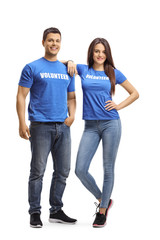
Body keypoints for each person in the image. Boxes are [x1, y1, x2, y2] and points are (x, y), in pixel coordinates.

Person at [68, 37, 139, 228]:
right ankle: (103, 199)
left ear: (107, 54)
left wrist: (118, 106)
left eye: (103, 52)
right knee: (80, 169)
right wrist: (70, 61)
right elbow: (64, 64)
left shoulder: (113, 73)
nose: (100, 55)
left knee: (108, 168)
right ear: (91, 52)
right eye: (97, 51)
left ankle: (102, 211)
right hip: (90, 126)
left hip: (111, 124)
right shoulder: (83, 70)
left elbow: (135, 93)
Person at [16, 27, 77, 228]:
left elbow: (71, 97)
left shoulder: (66, 68)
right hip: (41, 126)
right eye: (50, 40)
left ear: (61, 43)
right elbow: (21, 96)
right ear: (43, 42)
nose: (54, 44)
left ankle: (56, 210)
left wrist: (72, 115)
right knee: (37, 171)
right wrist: (21, 122)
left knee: (63, 171)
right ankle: (35, 213)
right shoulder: (32, 67)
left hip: (63, 127)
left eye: (57, 40)